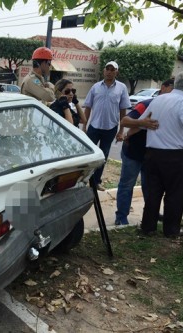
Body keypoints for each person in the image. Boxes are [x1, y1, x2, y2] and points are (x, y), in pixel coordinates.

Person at [114, 78, 174, 226]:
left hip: (151, 156)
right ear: (163, 88)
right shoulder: (146, 104)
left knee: (151, 187)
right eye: (171, 89)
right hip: (133, 153)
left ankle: (151, 215)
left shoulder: (173, 108)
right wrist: (142, 123)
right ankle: (121, 217)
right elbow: (125, 121)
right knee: (127, 185)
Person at [139, 72, 183, 238]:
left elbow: (143, 122)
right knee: (175, 194)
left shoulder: (159, 99)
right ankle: (170, 230)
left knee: (153, 192)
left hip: (153, 153)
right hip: (176, 155)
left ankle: (148, 227)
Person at [83, 61, 131, 191]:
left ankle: (96, 182)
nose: (109, 71)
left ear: (116, 72)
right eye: (107, 69)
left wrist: (121, 130)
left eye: (112, 69)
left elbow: (123, 111)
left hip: (110, 128)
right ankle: (83, 180)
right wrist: (84, 126)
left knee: (103, 156)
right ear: (104, 71)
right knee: (88, 154)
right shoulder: (95, 87)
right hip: (94, 126)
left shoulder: (121, 88)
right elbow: (88, 107)